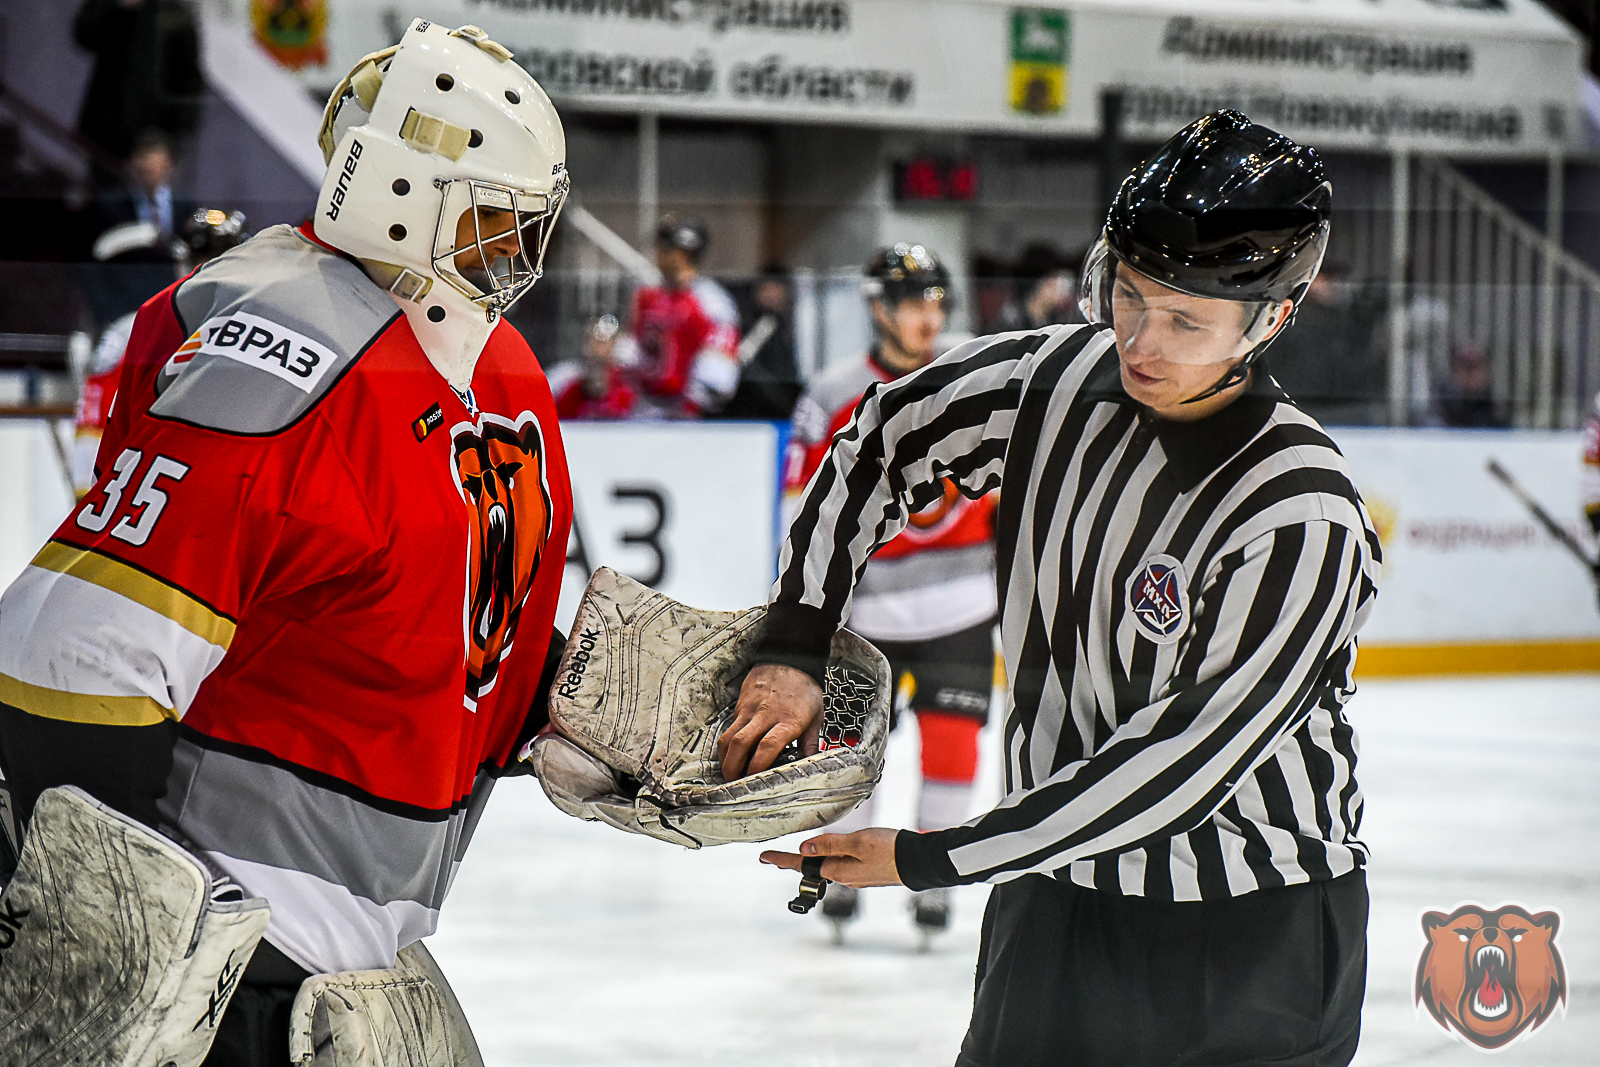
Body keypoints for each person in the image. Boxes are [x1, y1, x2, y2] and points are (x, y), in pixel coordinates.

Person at [723, 110, 1380, 1066]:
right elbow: (877, 441)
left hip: (1249, 940)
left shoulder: (1299, 510)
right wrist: (795, 644)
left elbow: (1180, 765)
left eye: (1187, 320)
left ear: (1273, 318)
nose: (1140, 343)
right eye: (1127, 295)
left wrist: (932, 855)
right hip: (1055, 900)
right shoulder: (1049, 385)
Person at [0, 20, 571, 1066]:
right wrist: (115, 942)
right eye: (493, 222)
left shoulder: (498, 369)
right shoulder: (286, 346)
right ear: (398, 194)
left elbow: (431, 627)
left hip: (363, 955)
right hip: (236, 973)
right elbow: (73, 656)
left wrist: (581, 710)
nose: (516, 258)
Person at [782, 243, 997, 942]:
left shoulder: (975, 378)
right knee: (846, 746)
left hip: (962, 607)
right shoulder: (830, 394)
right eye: (911, 303)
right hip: (864, 616)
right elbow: (801, 510)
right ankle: (839, 865)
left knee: (954, 743)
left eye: (936, 302)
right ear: (878, 308)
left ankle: (932, 879)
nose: (926, 318)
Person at [73, 206, 250, 497]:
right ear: (185, 260)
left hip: (225, 490)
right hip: (153, 489)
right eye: (208, 258)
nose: (217, 269)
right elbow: (96, 408)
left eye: (227, 258)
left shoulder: (259, 330)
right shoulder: (138, 327)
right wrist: (86, 492)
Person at [619, 214, 741, 417]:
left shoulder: (711, 300)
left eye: (665, 247)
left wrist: (692, 405)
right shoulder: (648, 297)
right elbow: (629, 351)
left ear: (681, 253)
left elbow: (719, 367)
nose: (658, 253)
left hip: (685, 413)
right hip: (643, 407)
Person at [73, 0, 203, 166]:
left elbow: (188, 80)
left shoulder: (177, 11)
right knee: (103, 185)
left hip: (152, 139)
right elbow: (84, 33)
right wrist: (119, 7)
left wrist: (172, 138)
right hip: (106, 129)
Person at [720, 264, 802, 420]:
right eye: (766, 288)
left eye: (777, 288)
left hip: (777, 413)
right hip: (746, 410)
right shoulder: (747, 324)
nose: (772, 294)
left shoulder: (788, 327)